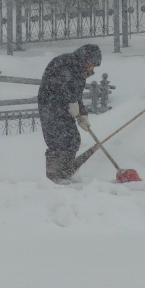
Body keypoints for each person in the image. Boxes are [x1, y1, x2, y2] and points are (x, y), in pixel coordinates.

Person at [37, 43, 102, 183]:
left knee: (72, 139)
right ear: (84, 58)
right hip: (50, 105)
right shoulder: (63, 64)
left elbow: (76, 94)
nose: (91, 68)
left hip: (64, 109)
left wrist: (82, 115)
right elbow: (58, 86)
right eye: (90, 64)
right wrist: (70, 101)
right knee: (57, 141)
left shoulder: (80, 72)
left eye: (93, 67)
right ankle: (54, 174)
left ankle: (64, 172)